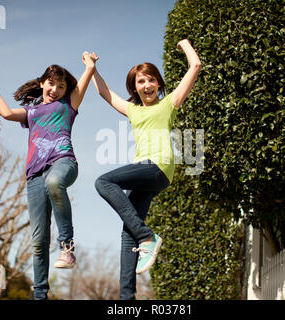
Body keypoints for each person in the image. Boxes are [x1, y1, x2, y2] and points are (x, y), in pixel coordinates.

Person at [93, 39, 201, 299]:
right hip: (147, 172)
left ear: (159, 84)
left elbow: (195, 65)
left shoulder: (169, 104)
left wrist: (185, 44)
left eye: (151, 80)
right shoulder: (133, 110)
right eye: (141, 82)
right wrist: (92, 69)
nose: (147, 85)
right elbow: (104, 93)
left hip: (158, 166)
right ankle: (127, 299)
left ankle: (147, 236)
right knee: (128, 231)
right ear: (135, 88)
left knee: (103, 182)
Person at [0, 52, 98, 300]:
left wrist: (89, 65)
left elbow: (86, 78)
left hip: (63, 161)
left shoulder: (68, 105)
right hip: (34, 175)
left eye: (61, 86)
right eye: (51, 83)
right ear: (42, 83)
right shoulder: (32, 111)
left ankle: (66, 246)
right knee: (38, 240)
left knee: (55, 182)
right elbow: (4, 112)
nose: (55, 89)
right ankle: (40, 295)